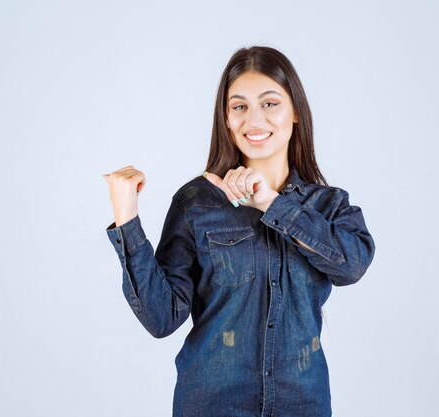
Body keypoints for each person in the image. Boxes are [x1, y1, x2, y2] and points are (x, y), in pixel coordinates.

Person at [102, 45, 376, 417]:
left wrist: (271, 204)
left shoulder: (328, 206)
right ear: (226, 120)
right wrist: (127, 217)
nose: (254, 120)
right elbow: (162, 317)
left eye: (269, 103)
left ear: (295, 111)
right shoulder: (197, 202)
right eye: (239, 107)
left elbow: (351, 265)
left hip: (302, 403)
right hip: (212, 405)